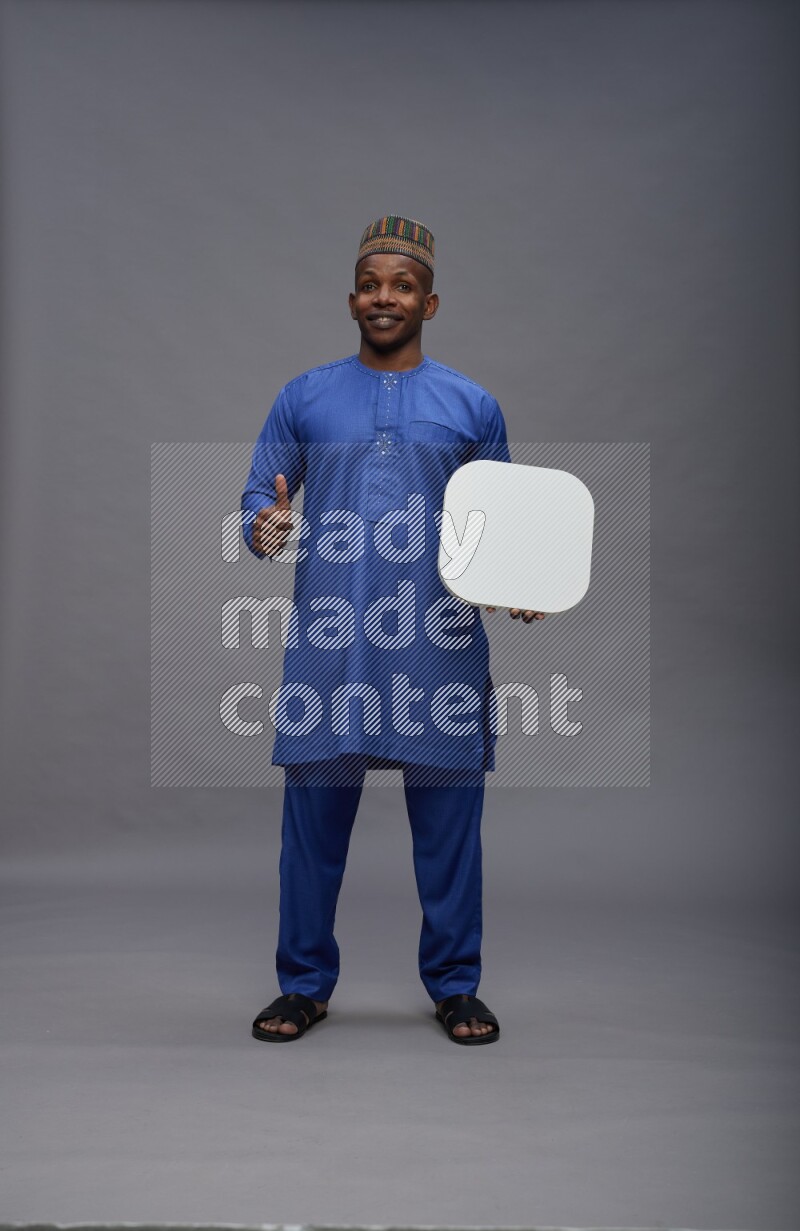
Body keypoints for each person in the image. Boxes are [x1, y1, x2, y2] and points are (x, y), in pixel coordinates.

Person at [241, 215, 544, 1045]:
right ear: (351, 300)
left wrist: (521, 581)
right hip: (330, 649)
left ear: (429, 303)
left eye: (402, 285)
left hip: (437, 649)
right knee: (310, 833)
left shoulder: (471, 405)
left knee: (450, 835)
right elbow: (259, 499)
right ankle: (303, 984)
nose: (385, 297)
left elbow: (502, 526)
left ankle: (456, 985)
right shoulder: (304, 397)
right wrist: (265, 524)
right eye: (371, 284)